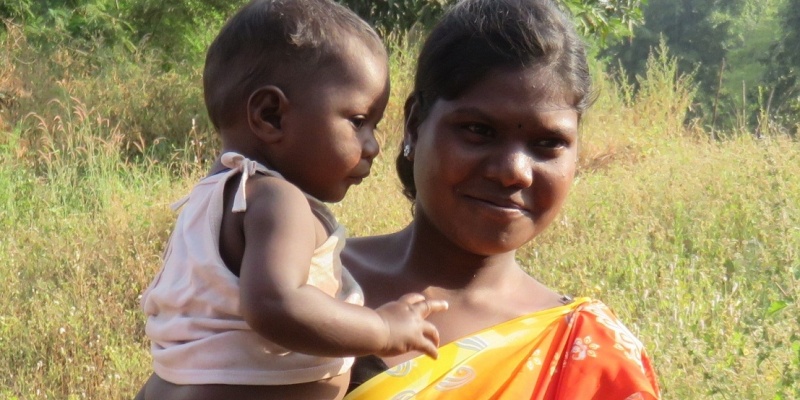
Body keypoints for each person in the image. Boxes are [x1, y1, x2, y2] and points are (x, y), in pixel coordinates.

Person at [341, 0, 661, 398]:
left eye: (549, 143)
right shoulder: (299, 284)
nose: (514, 171)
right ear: (413, 125)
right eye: (478, 130)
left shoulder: (587, 355)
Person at [134, 1, 447, 399]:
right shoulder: (277, 200)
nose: (373, 146)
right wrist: (381, 329)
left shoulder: (214, 195)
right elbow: (276, 302)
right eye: (358, 121)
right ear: (271, 116)